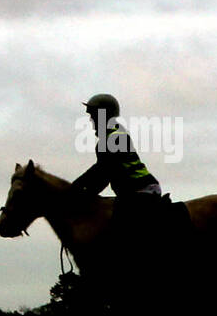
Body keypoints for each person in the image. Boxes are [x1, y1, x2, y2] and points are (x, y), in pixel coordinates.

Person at [71, 94, 169, 251]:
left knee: (119, 227)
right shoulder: (108, 138)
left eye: (94, 116)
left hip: (142, 190)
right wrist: (76, 188)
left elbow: (104, 172)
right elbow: (99, 170)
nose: (91, 120)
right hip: (132, 191)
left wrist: (80, 191)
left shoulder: (116, 137)